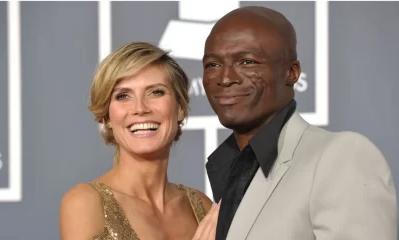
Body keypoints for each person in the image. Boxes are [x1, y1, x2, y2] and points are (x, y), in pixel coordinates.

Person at [202, 6, 397, 240]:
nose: (225, 78)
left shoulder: (340, 157)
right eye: (212, 65)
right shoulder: (225, 172)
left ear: (292, 72)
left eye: (246, 62)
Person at [59, 42, 219, 240]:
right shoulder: (86, 202)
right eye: (123, 96)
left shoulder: (200, 206)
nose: (140, 108)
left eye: (156, 92)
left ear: (179, 108)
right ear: (107, 116)